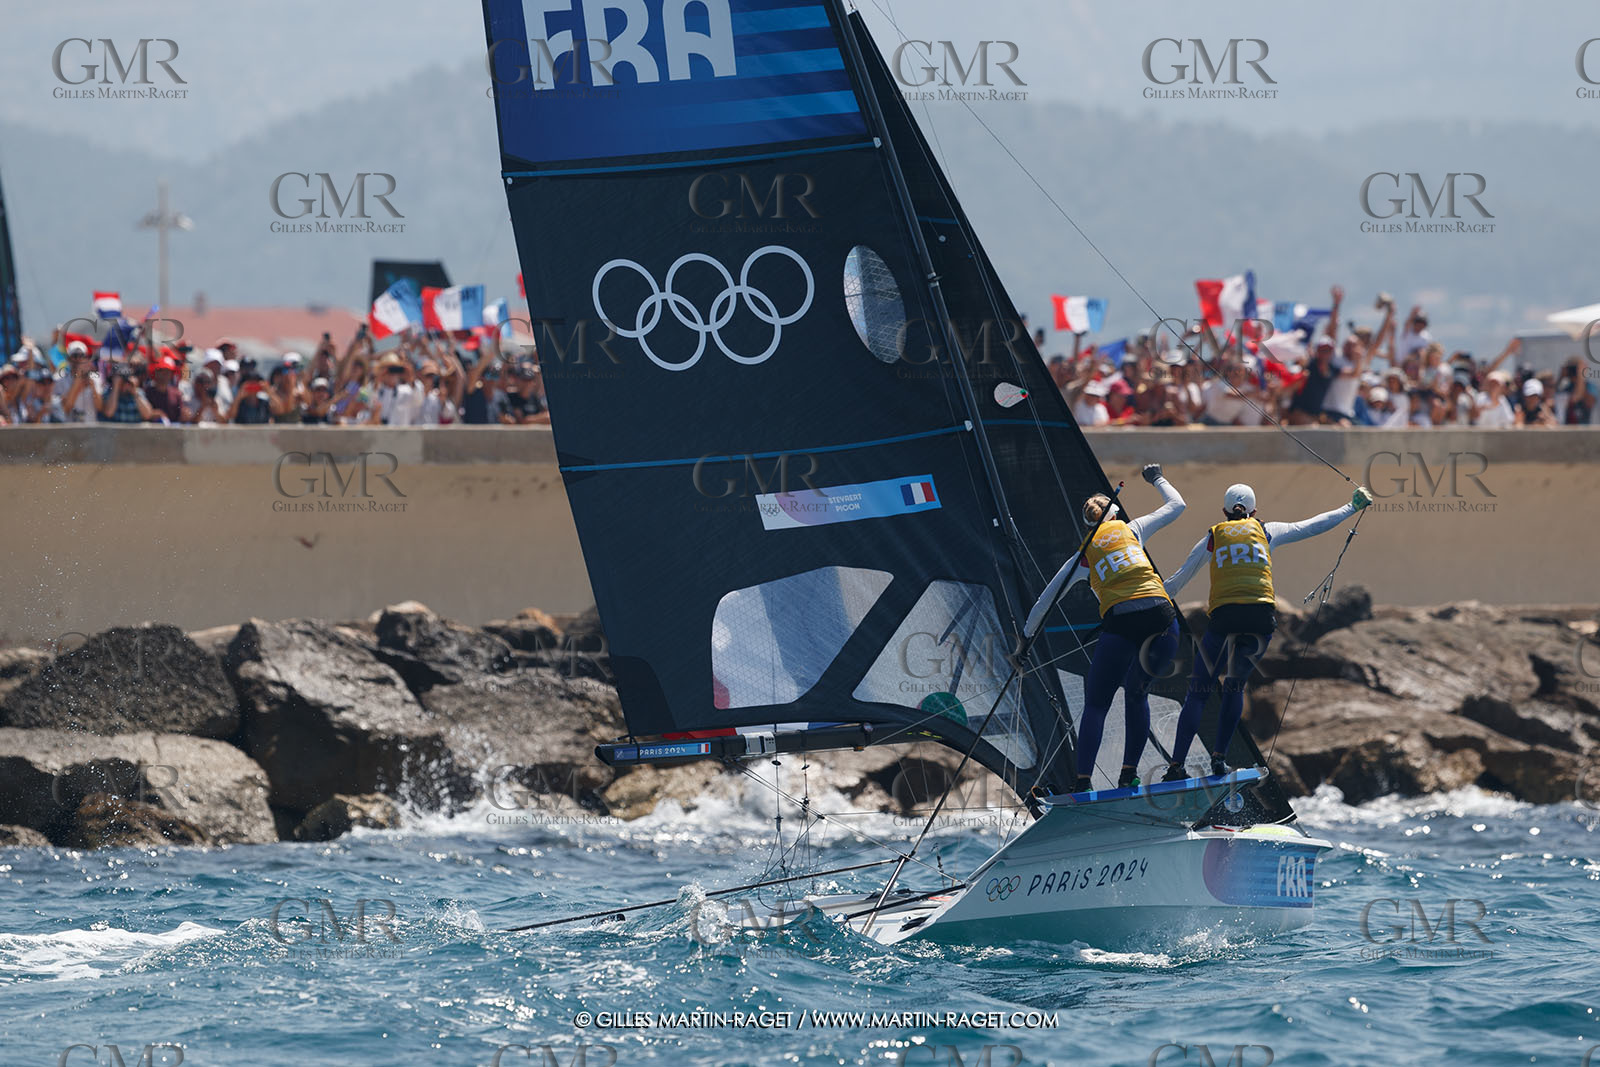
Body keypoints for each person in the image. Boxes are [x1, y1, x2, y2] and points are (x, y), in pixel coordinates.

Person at [1159, 482, 1373, 781]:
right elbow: (1313, 525)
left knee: (1199, 692)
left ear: (1225, 512)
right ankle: (1219, 760)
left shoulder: (1213, 537)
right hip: (1259, 619)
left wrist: (1149, 599)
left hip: (1224, 618)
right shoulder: (1268, 531)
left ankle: (1176, 767)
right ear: (1254, 511)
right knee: (1235, 685)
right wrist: (1352, 507)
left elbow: (1179, 579)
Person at [1018, 463, 1186, 791]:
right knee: (1137, 694)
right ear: (1114, 514)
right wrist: (1156, 478)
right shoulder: (1133, 528)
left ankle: (1083, 783)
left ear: (1088, 525)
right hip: (1162, 620)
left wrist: (1025, 640)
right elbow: (1178, 505)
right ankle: (1128, 775)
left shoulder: (1082, 557)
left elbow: (1044, 602)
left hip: (1121, 625)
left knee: (1097, 704)